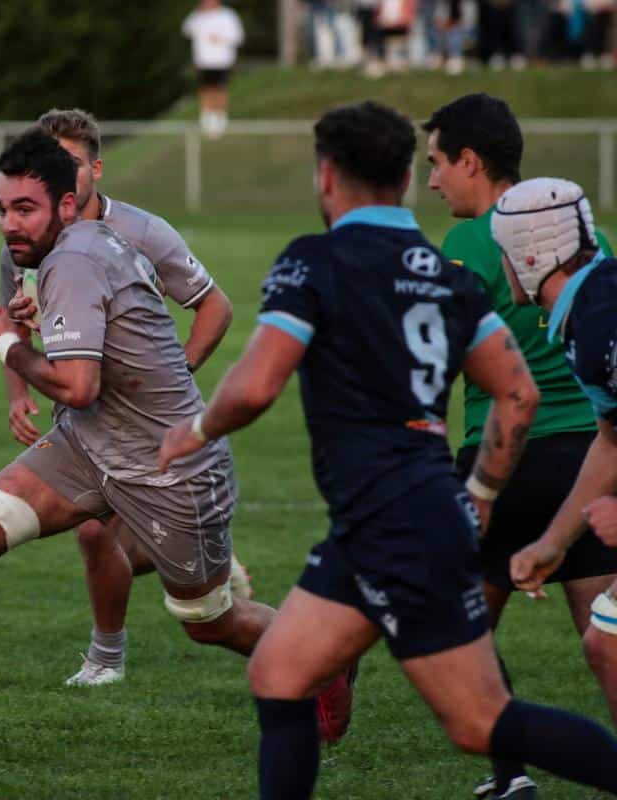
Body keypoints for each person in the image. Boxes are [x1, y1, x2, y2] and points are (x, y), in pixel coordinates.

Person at [0, 129, 354, 741]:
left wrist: (3, 343)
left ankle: (328, 656)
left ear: (66, 206)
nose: (8, 224)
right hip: (88, 446)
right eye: (1, 209)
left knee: (209, 621)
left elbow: (78, 386)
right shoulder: (65, 249)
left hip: (168, 469)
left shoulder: (75, 257)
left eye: (25, 209)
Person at [160, 100, 617, 800]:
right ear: (406, 177)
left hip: (392, 522)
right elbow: (518, 394)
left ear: (326, 176)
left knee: (479, 720)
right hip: (403, 515)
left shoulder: (315, 262)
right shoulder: (445, 274)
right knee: (281, 674)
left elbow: (254, 387)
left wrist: (193, 432)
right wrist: (482, 496)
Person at [0, 108, 248, 687]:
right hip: (80, 417)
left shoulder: (141, 232)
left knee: (112, 543)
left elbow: (217, 306)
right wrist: (16, 394)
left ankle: (125, 637)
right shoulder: (28, 235)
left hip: (148, 421)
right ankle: (108, 655)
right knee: (91, 532)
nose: (65, 174)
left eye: (74, 164)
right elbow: (15, 328)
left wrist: (180, 368)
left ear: (96, 169)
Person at [425, 92, 616, 800]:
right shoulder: (587, 242)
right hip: (591, 455)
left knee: (463, 620)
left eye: (438, 163)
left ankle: (510, 775)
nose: (434, 180)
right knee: (604, 633)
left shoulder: (470, 244)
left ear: (471, 161)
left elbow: (444, 354)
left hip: (500, 454)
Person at [497, 179, 617, 730]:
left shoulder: (600, 324)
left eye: (503, 254)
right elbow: (611, 441)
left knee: (610, 645)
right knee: (606, 642)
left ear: (529, 256)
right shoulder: (586, 312)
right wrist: (552, 544)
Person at [182, 0, 244, 137]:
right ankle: (207, 118)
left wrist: (220, 38)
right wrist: (197, 13)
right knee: (206, 88)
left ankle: (220, 119)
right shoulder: (199, 16)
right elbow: (186, 30)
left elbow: (238, 36)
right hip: (204, 61)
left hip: (222, 60)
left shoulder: (228, 15)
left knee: (220, 88)